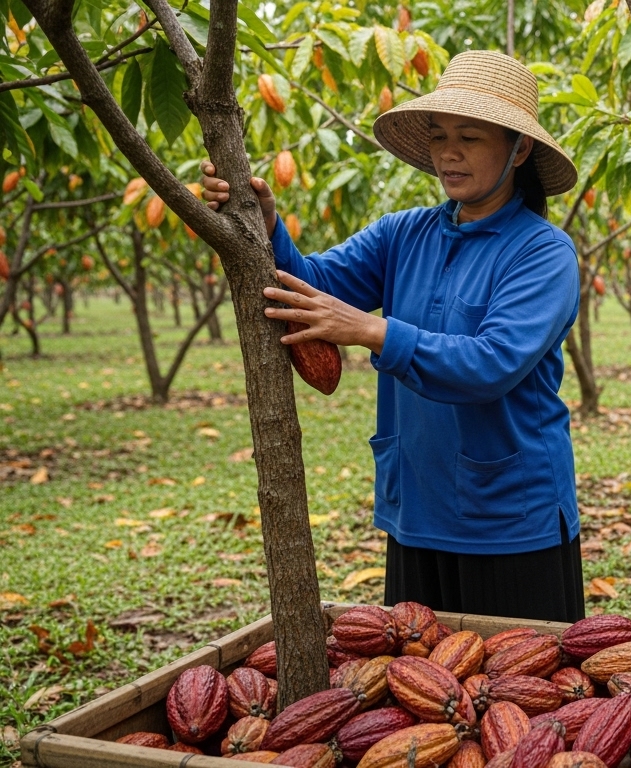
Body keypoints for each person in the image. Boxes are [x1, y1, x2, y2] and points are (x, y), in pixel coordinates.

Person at [200, 51, 586, 623]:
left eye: (470, 138)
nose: (448, 153)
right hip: (417, 509)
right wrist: (265, 222)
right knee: (423, 687)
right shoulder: (403, 233)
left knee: (518, 695)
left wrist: (370, 330)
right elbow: (312, 286)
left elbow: (492, 364)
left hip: (510, 519)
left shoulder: (543, 253)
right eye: (439, 136)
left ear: (519, 150)